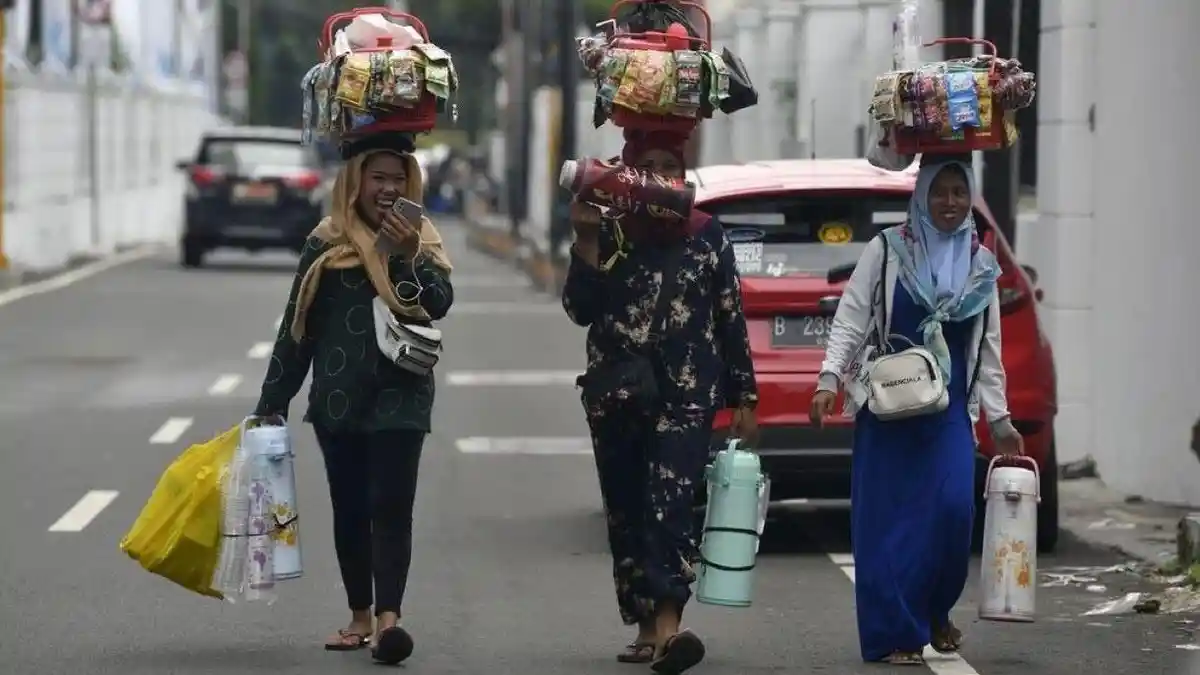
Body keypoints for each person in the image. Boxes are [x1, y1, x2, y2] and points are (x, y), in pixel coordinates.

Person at [808, 156, 1023, 665]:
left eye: (958, 191)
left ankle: (933, 609)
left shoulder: (980, 264)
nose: (949, 202)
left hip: (947, 411)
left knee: (953, 513)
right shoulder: (887, 251)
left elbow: (987, 347)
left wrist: (999, 417)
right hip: (888, 405)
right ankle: (897, 634)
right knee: (886, 525)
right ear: (921, 195)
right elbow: (852, 318)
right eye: (939, 191)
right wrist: (829, 378)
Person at [562, 128, 758, 674]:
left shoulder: (706, 234)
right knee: (626, 507)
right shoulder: (610, 227)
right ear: (627, 172)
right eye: (645, 164)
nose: (658, 175)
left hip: (688, 394)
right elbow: (580, 308)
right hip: (617, 391)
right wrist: (583, 241)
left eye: (668, 165)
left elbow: (729, 315)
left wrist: (745, 395)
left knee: (669, 504)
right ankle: (646, 625)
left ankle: (671, 627)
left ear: (682, 172)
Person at [253, 134, 454, 665]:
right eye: (377, 177)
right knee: (350, 509)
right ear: (355, 182)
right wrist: (273, 400)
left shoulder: (423, 238)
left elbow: (437, 303)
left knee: (392, 507)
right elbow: (298, 328)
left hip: (402, 396)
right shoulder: (325, 242)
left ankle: (390, 621)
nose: (387, 189)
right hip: (338, 400)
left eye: (397, 179)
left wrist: (407, 256)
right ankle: (359, 616)